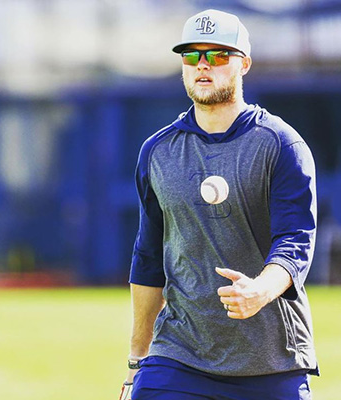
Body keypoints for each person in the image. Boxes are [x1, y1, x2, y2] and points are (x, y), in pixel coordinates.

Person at [119, 8, 318, 400]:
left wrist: (259, 290)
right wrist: (137, 360)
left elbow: (296, 241)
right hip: (180, 355)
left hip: (270, 360)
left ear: (244, 64)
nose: (203, 65)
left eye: (217, 54)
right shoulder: (158, 151)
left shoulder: (280, 144)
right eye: (192, 55)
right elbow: (148, 258)